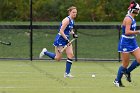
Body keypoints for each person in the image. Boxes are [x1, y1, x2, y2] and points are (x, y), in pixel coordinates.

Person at [39, 6, 78, 78]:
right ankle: (45, 52)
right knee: (58, 58)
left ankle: (67, 74)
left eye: (76, 12)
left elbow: (70, 29)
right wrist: (66, 39)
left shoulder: (72, 20)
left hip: (66, 39)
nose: (75, 14)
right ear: (69, 12)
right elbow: (61, 31)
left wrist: (73, 34)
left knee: (71, 55)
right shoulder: (66, 20)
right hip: (60, 39)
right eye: (73, 12)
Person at [113, 1, 140, 87]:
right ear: (134, 10)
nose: (138, 11)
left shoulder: (132, 17)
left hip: (132, 41)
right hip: (125, 42)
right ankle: (117, 81)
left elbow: (123, 27)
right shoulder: (128, 18)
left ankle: (127, 72)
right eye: (137, 10)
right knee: (125, 64)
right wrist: (138, 31)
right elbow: (127, 32)